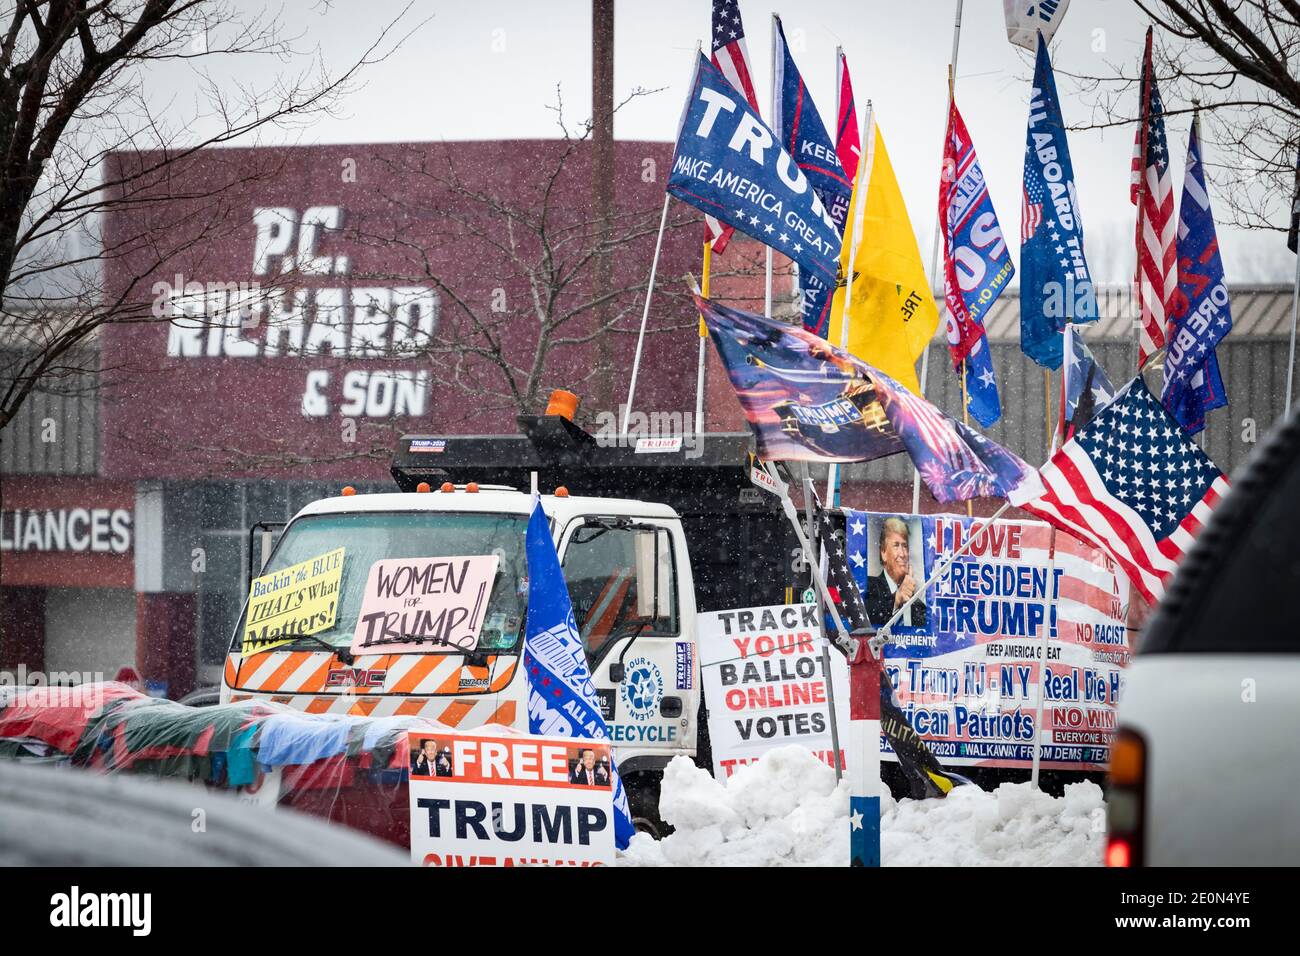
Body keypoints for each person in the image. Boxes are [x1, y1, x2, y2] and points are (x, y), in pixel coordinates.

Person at [865, 516, 927, 629]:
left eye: (905, 546)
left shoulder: (918, 605)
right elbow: (868, 620)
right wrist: (897, 598)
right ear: (883, 552)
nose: (902, 554)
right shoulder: (868, 587)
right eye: (896, 545)